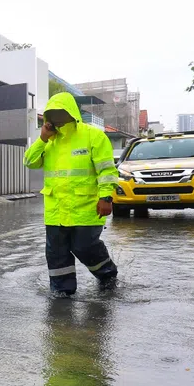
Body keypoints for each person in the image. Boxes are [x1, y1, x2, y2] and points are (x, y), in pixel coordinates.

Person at [25, 92, 120, 296]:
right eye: (52, 114)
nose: (56, 117)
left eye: (61, 112)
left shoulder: (92, 135)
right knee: (56, 253)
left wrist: (106, 197)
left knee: (84, 247)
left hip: (85, 208)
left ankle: (107, 274)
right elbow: (29, 162)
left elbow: (107, 170)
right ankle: (62, 291)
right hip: (56, 211)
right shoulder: (49, 141)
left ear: (71, 112)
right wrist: (42, 138)